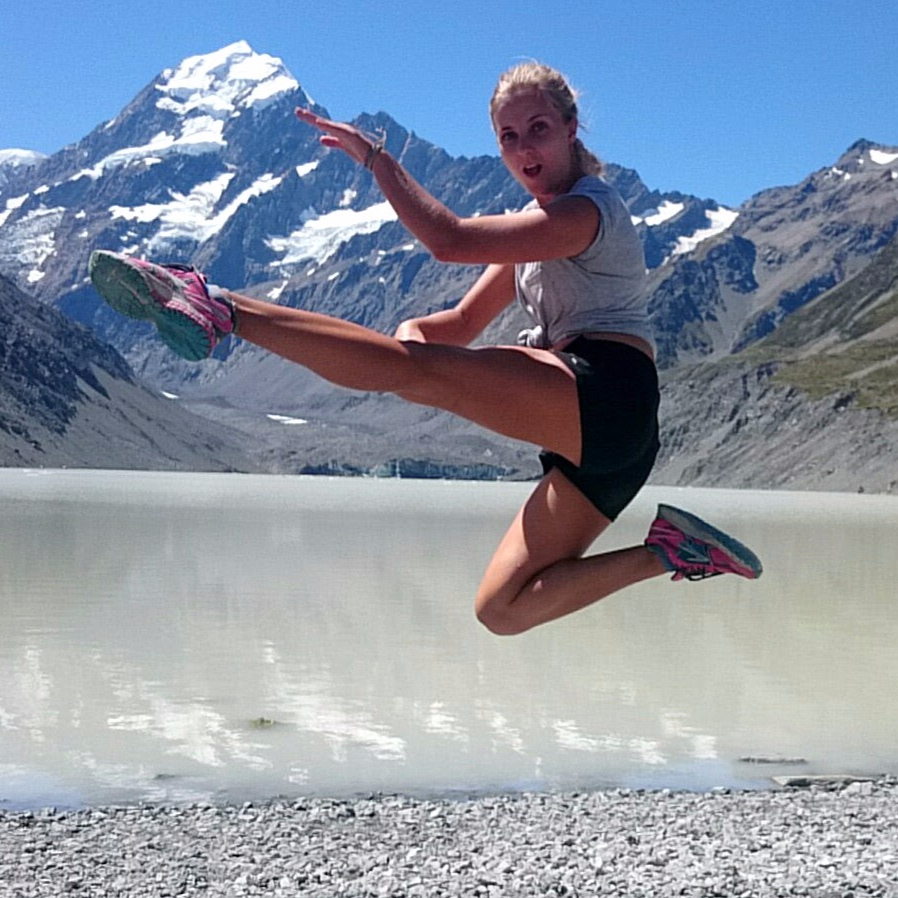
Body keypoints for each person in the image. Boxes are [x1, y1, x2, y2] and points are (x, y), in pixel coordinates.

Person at [88, 62, 762, 636]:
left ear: (571, 128)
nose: (523, 148)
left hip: (607, 391)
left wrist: (378, 160)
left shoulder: (587, 211)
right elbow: (461, 323)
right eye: (508, 137)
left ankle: (216, 304)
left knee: (410, 373)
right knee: (501, 609)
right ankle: (671, 552)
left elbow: (451, 240)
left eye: (537, 129)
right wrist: (407, 342)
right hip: (610, 449)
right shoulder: (536, 230)